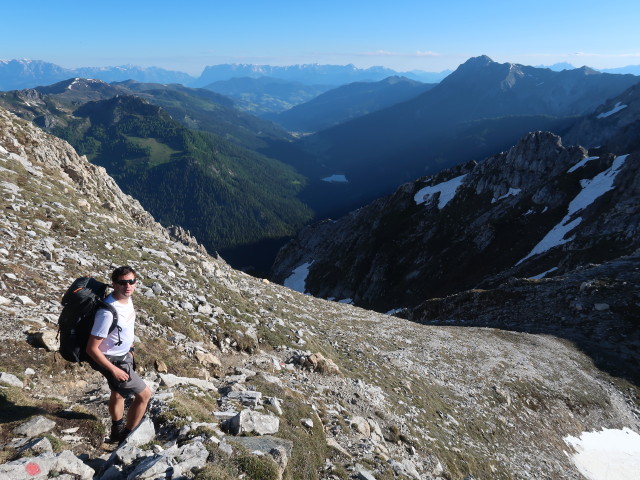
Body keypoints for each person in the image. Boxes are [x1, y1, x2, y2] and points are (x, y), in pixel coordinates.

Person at [86, 265, 152, 444]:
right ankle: (126, 435)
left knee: (118, 393)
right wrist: (113, 370)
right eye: (123, 283)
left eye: (131, 281)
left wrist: (129, 346)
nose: (128, 286)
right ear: (114, 284)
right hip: (113, 360)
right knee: (145, 395)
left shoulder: (127, 299)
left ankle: (116, 430)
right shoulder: (107, 312)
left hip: (124, 354)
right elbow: (91, 349)